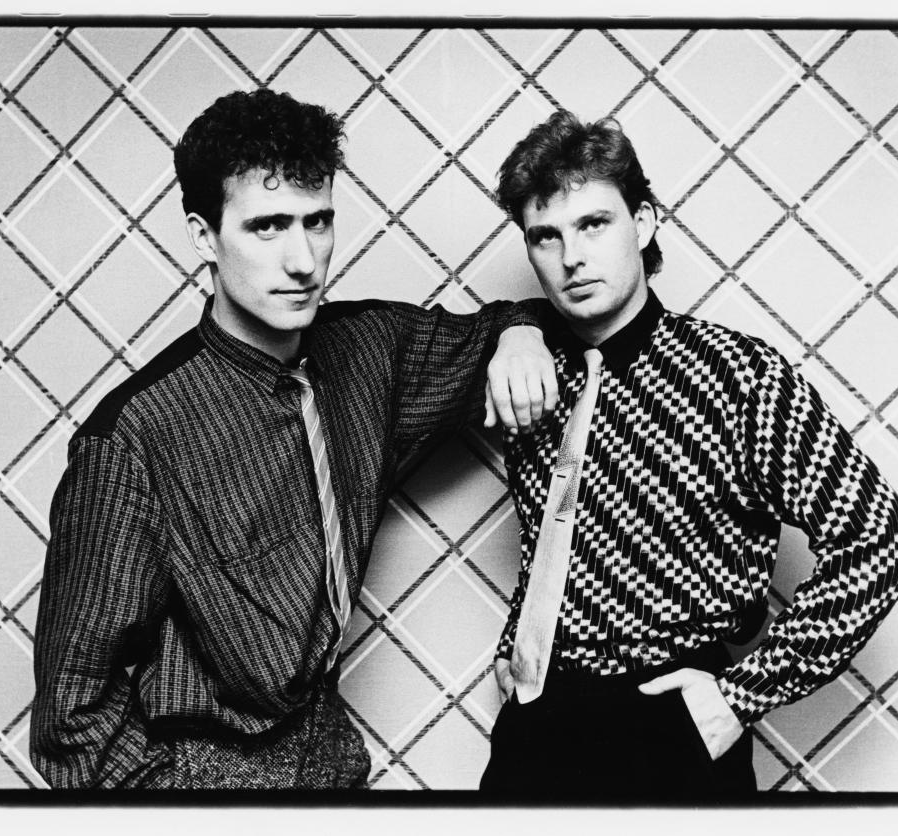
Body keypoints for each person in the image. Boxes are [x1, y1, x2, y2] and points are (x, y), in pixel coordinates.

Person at [29, 88, 557, 789]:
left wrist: (520, 331)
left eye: (319, 222)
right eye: (268, 227)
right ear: (203, 236)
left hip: (330, 751)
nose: (305, 260)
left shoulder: (371, 350)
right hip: (205, 769)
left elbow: (506, 321)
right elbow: (70, 713)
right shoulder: (134, 438)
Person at [479, 110, 898, 798]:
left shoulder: (738, 375)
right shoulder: (534, 375)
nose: (571, 257)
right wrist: (518, 650)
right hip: (536, 726)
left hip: (668, 727)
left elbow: (882, 544)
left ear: (645, 223)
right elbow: (555, 539)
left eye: (594, 224)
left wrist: (739, 697)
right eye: (546, 236)